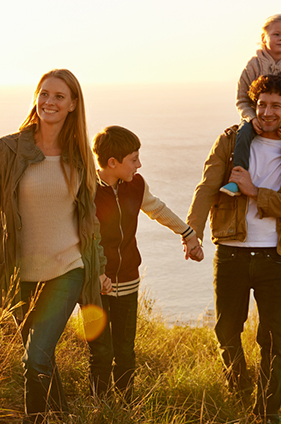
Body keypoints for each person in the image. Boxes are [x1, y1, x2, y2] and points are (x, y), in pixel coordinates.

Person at [0, 69, 108, 424]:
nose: (50, 102)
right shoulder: (8, 150)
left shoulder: (80, 157)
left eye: (60, 96)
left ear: (73, 104)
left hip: (68, 267)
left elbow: (89, 220)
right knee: (40, 358)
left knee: (36, 358)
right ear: (36, 98)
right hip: (18, 272)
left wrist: (99, 269)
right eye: (44, 94)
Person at [187, 73, 281, 424]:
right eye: (262, 104)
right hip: (230, 252)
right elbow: (206, 188)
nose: (267, 112)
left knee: (273, 339)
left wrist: (254, 192)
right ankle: (240, 392)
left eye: (276, 105)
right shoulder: (231, 141)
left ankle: (268, 413)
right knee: (226, 331)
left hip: (275, 256)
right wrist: (192, 233)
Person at [87, 125, 204, 400]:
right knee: (101, 352)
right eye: (134, 159)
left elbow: (156, 209)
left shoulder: (136, 184)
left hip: (127, 278)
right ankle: (98, 412)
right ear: (113, 163)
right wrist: (95, 273)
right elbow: (79, 235)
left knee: (125, 351)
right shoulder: (86, 189)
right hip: (94, 283)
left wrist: (188, 234)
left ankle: (125, 410)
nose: (139, 164)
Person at [222, 14, 281, 197]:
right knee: (243, 134)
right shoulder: (253, 65)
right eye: (276, 34)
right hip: (257, 118)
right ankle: (236, 180)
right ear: (264, 38)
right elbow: (241, 98)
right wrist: (251, 118)